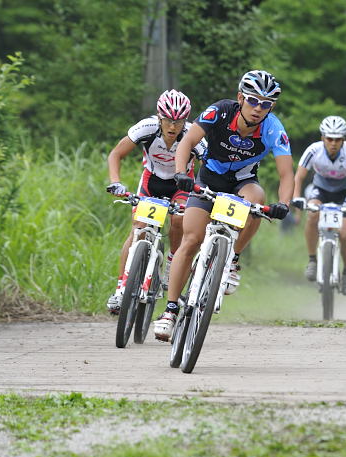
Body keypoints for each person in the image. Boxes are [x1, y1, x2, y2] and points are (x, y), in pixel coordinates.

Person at [152, 70, 294, 342]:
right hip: (208, 180)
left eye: (266, 104)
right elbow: (189, 141)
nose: (258, 109)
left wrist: (284, 204)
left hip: (242, 182)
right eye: (253, 101)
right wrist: (181, 172)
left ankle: (233, 260)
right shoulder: (220, 111)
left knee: (258, 199)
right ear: (241, 97)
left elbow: (287, 174)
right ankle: (170, 311)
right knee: (190, 240)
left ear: (272, 107)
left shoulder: (274, 128)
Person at [105, 89, 206, 314]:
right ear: (159, 117)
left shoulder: (193, 136)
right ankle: (121, 287)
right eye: (168, 120)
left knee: (179, 220)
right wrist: (116, 182)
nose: (173, 127)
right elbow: (116, 154)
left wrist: (203, 192)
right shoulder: (146, 128)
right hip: (151, 182)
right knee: (138, 230)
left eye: (179, 122)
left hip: (181, 186)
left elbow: (207, 168)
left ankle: (172, 262)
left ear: (185, 121)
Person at [291, 115, 346, 295]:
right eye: (329, 139)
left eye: (338, 139)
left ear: (343, 139)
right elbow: (298, 176)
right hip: (320, 189)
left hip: (344, 193)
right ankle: (312, 260)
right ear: (322, 138)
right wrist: (296, 197)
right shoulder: (313, 150)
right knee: (312, 215)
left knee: (344, 234)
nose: (333, 143)